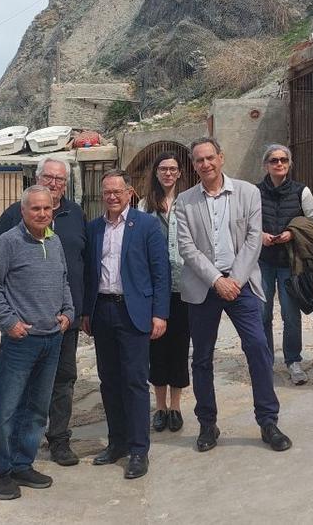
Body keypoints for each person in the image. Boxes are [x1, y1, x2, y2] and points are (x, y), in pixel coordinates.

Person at [175, 137, 291, 453]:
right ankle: (207, 423)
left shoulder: (248, 193)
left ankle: (268, 421)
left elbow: (254, 240)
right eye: (199, 160)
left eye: (210, 158)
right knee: (201, 358)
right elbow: (187, 247)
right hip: (204, 287)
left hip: (241, 285)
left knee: (258, 347)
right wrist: (216, 280)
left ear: (221, 157)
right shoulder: (185, 201)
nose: (205, 164)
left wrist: (234, 280)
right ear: (194, 164)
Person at [0, 157, 90, 467]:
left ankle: (54, 441)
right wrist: (10, 318)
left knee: (60, 384)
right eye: (49, 176)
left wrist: (75, 311)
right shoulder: (12, 221)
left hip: (61, 325)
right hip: (25, 326)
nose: (54, 183)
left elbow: (76, 268)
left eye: (60, 179)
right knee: (13, 396)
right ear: (37, 177)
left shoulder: (73, 217)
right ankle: (5, 464)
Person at [0, 185, 76, 501]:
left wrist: (68, 311)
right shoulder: (9, 242)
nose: (42, 214)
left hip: (52, 340)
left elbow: (63, 280)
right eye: (35, 208)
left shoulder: (55, 240)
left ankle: (22, 464)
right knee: (5, 409)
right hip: (20, 343)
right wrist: (9, 323)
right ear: (23, 211)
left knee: (36, 409)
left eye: (47, 208)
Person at [83, 170, 169, 480]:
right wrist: (85, 312)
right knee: (109, 381)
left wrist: (160, 314)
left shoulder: (145, 225)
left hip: (134, 314)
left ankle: (138, 450)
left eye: (118, 191)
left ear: (129, 192)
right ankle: (117, 442)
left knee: (134, 382)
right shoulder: (93, 228)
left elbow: (161, 273)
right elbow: (89, 274)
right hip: (102, 312)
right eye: (107, 192)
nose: (112, 197)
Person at [256, 143, 313, 386]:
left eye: (283, 160)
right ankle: (264, 361)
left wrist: (292, 234)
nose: (279, 164)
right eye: (274, 160)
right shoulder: (255, 192)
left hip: (290, 262)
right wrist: (260, 235)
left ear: (289, 164)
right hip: (262, 261)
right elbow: (244, 222)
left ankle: (293, 360)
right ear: (266, 165)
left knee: (290, 313)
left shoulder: (301, 191)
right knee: (262, 314)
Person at [139, 152, 190, 433]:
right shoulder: (146, 206)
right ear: (156, 173)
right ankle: (159, 407)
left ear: (180, 173)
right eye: (163, 169)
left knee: (180, 346)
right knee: (157, 348)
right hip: (155, 286)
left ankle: (176, 406)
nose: (168, 173)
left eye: (173, 169)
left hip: (183, 286)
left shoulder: (188, 203)